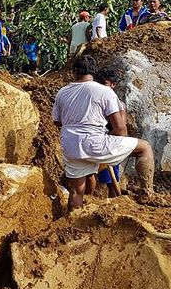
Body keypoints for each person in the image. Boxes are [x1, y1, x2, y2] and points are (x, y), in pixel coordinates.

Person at [53, 55, 155, 211]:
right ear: (94, 72)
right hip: (95, 143)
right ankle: (148, 194)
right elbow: (120, 129)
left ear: (74, 72)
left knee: (76, 192)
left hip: (71, 145)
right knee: (144, 147)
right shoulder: (104, 91)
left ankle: (72, 221)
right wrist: (112, 145)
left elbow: (57, 122)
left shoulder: (62, 92)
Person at [95, 67, 127, 198]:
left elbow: (121, 129)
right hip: (98, 141)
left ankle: (114, 201)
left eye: (105, 84)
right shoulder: (97, 100)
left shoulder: (118, 104)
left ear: (113, 85)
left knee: (111, 181)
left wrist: (106, 137)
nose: (101, 87)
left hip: (110, 143)